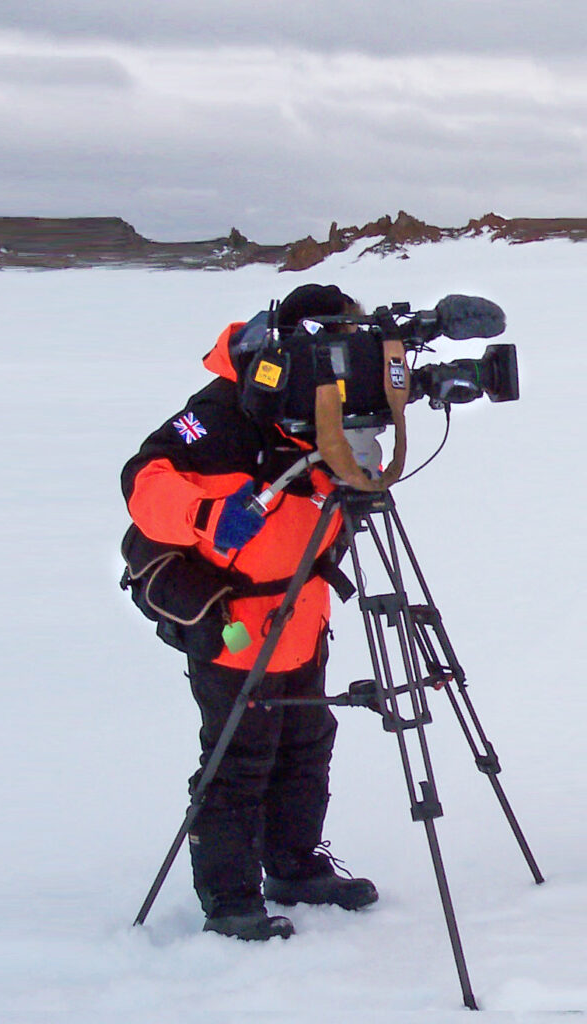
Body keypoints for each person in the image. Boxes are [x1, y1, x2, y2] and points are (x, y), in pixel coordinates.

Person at [121, 283, 400, 939]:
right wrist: (206, 516)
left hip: (303, 614)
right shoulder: (219, 417)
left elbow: (350, 484)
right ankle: (230, 897)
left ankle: (295, 866)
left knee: (307, 744)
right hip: (234, 625)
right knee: (240, 757)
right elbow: (144, 481)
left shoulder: (316, 413)